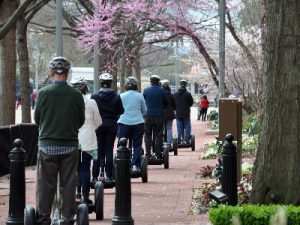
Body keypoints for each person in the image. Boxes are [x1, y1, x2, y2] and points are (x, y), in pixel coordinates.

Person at [34, 56, 85, 225]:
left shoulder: (43, 93)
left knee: (45, 185)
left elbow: (37, 119)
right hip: (69, 145)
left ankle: (43, 218)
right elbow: (81, 120)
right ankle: (67, 219)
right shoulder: (76, 95)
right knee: (68, 184)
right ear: (68, 73)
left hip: (47, 145)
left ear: (51, 72)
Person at [70, 77, 102, 205]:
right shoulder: (91, 102)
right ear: (85, 88)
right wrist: (89, 128)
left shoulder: (68, 102)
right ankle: (85, 196)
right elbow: (98, 121)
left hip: (71, 138)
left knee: (72, 169)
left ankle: (74, 194)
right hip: (87, 139)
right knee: (85, 168)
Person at [91, 72, 124, 182]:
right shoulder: (116, 96)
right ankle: (109, 176)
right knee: (109, 149)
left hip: (98, 125)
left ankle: (95, 176)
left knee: (98, 150)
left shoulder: (94, 96)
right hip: (111, 125)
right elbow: (121, 111)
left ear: (101, 83)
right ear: (110, 83)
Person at [117, 76, 147, 174]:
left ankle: (122, 163)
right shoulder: (140, 96)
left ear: (126, 85)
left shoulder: (121, 96)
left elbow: (118, 110)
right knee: (137, 145)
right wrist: (138, 115)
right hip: (138, 123)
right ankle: (134, 165)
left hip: (124, 122)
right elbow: (144, 111)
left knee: (122, 144)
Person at [143, 74, 168, 159]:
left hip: (148, 115)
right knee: (158, 135)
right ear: (158, 82)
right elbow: (166, 103)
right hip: (159, 115)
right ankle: (157, 154)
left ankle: (148, 154)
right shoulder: (162, 91)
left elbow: (143, 102)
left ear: (151, 82)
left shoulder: (146, 91)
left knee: (147, 134)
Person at [174, 79, 194, 144]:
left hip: (178, 113)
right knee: (187, 127)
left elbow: (173, 103)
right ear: (186, 85)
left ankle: (179, 141)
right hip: (186, 113)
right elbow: (191, 103)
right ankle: (187, 140)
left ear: (180, 85)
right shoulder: (188, 94)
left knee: (179, 128)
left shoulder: (175, 94)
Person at [160, 79, 176, 147]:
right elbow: (175, 105)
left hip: (161, 114)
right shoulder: (171, 94)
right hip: (170, 114)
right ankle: (169, 143)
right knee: (169, 128)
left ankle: (161, 142)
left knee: (161, 128)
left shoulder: (160, 94)